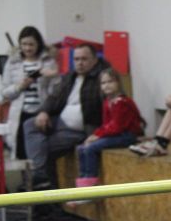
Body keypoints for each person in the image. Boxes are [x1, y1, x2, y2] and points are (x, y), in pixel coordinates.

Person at [23, 44, 110, 189]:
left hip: (81, 130)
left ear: (95, 60)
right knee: (29, 124)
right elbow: (54, 97)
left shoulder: (103, 78)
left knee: (43, 148)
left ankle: (43, 181)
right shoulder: (70, 76)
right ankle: (40, 175)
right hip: (60, 122)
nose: (79, 63)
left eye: (84, 59)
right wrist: (44, 112)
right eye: (76, 59)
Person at [69, 68, 144, 205]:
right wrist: (95, 135)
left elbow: (117, 126)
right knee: (81, 148)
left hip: (127, 135)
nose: (107, 85)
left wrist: (97, 137)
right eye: (103, 83)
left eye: (110, 81)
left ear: (118, 83)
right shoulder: (107, 102)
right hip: (115, 133)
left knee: (91, 148)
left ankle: (91, 188)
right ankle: (83, 186)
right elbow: (106, 124)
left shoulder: (122, 102)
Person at [1, 26, 60, 159]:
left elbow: (56, 91)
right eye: (24, 44)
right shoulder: (12, 62)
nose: (27, 48)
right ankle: (25, 173)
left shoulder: (49, 61)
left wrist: (53, 76)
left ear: (38, 44)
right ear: (20, 45)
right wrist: (19, 87)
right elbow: (5, 93)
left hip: (42, 112)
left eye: (31, 44)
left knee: (40, 151)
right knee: (21, 152)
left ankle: (39, 172)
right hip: (20, 113)